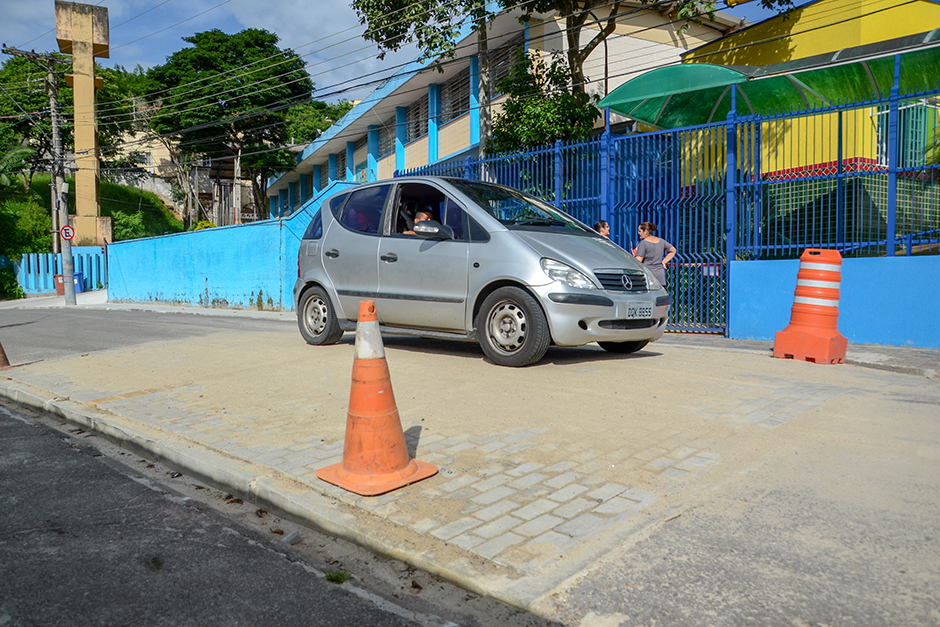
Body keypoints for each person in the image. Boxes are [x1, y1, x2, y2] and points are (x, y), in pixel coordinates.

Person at [634, 221, 676, 286]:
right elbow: (673, 250)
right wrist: (664, 262)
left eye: (639, 231)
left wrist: (633, 257)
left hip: (647, 276)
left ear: (645, 231)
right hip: (660, 275)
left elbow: (638, 261)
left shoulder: (643, 243)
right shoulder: (661, 241)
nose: (638, 233)